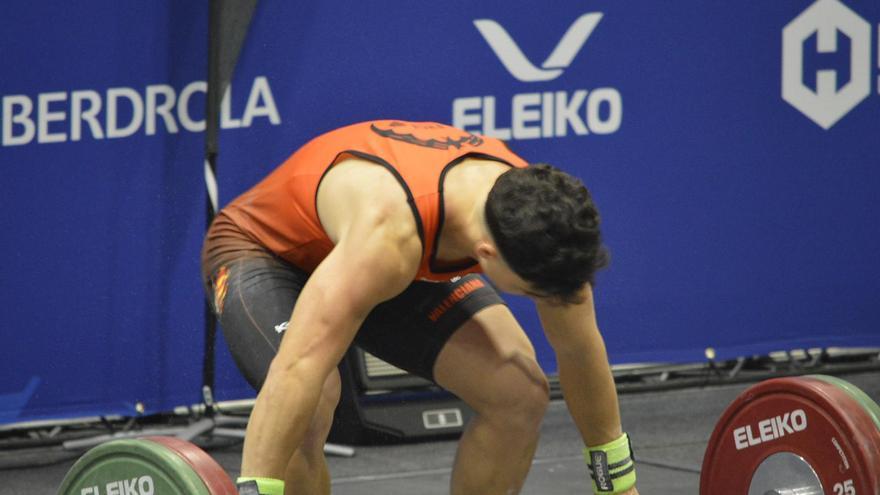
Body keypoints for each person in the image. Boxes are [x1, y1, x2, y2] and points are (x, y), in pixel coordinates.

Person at [201, 120, 638, 495]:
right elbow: (295, 370)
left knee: (518, 393)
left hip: (385, 264)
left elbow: (579, 351)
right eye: (535, 294)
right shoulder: (389, 234)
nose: (550, 302)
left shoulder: (544, 223)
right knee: (310, 407)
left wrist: (617, 484)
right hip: (267, 252)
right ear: (486, 255)